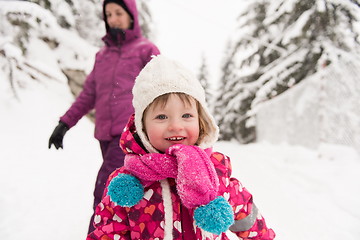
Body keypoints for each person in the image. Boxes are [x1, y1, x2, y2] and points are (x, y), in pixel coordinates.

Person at [87, 55, 275, 240]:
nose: (176, 125)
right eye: (161, 117)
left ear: (201, 121)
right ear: (142, 126)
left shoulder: (215, 172)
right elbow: (107, 231)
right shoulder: (127, 183)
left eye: (186, 115)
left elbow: (246, 215)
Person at [48, 0, 160, 234]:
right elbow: (89, 93)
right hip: (105, 137)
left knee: (105, 191)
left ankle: (98, 234)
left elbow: (160, 89)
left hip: (131, 136)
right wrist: (64, 123)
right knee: (125, 192)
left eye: (119, 13)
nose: (113, 18)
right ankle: (127, 232)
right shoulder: (103, 55)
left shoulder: (145, 50)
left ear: (132, 16)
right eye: (109, 14)